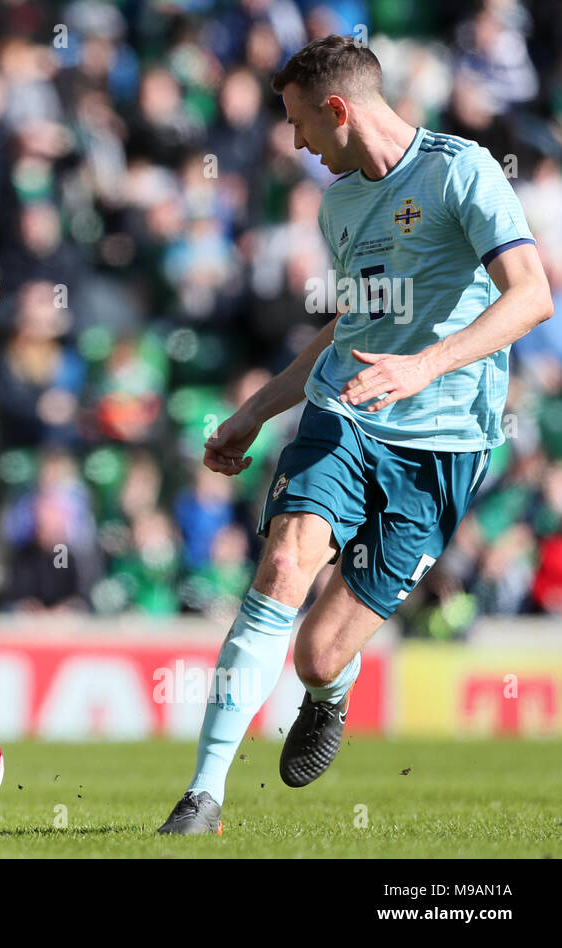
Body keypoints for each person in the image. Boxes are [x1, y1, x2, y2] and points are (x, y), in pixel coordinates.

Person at [158, 35, 552, 835]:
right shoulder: (340, 204)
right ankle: (203, 797)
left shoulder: (461, 170)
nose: (297, 143)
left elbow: (531, 297)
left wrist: (425, 367)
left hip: (442, 443)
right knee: (280, 567)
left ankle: (328, 691)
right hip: (345, 415)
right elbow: (349, 330)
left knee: (317, 655)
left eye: (302, 123)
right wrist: (256, 410)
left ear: (338, 109)